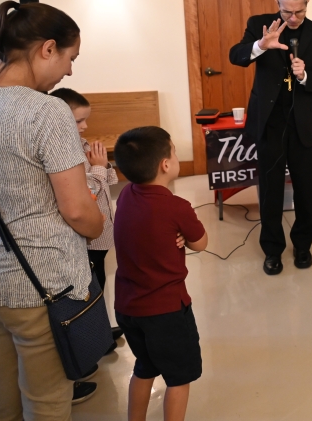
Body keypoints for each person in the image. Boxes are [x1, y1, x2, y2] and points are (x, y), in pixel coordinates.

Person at [0, 1, 105, 416]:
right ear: (48, 48)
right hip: (41, 287)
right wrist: (99, 221)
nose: (68, 72)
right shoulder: (46, 111)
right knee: (46, 404)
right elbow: (77, 210)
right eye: (70, 58)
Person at [229, 0, 312, 276]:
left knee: (303, 188)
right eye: (287, 12)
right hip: (270, 122)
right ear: (278, 3)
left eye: (299, 11)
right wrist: (261, 45)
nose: (293, 18)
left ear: (306, 4)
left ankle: (303, 245)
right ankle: (272, 250)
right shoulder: (260, 25)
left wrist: (304, 76)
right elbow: (235, 56)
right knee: (271, 189)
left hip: (301, 122)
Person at [113, 126, 208, 421]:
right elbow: (201, 242)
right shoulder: (176, 207)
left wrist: (173, 234)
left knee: (144, 367)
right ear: (166, 165)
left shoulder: (127, 194)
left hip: (128, 307)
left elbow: (146, 229)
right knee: (179, 378)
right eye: (175, 152)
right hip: (166, 312)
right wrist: (183, 233)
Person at [49, 88, 125, 352]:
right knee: (92, 288)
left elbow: (107, 182)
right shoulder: (65, 153)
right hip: (89, 238)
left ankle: (101, 330)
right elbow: (87, 193)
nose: (85, 126)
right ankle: (95, 341)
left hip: (102, 233)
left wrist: (102, 167)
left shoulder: (81, 146)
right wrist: (99, 168)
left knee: (100, 284)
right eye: (78, 120)